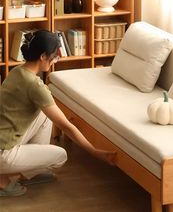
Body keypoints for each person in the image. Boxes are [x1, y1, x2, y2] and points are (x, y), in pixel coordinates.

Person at [0, 30, 116, 197]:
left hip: (3, 140)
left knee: (43, 115)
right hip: (3, 153)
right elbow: (65, 126)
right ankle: (2, 182)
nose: (54, 60)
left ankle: (33, 170)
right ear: (43, 56)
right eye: (54, 56)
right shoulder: (35, 86)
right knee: (61, 155)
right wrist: (94, 152)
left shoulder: (16, 71)